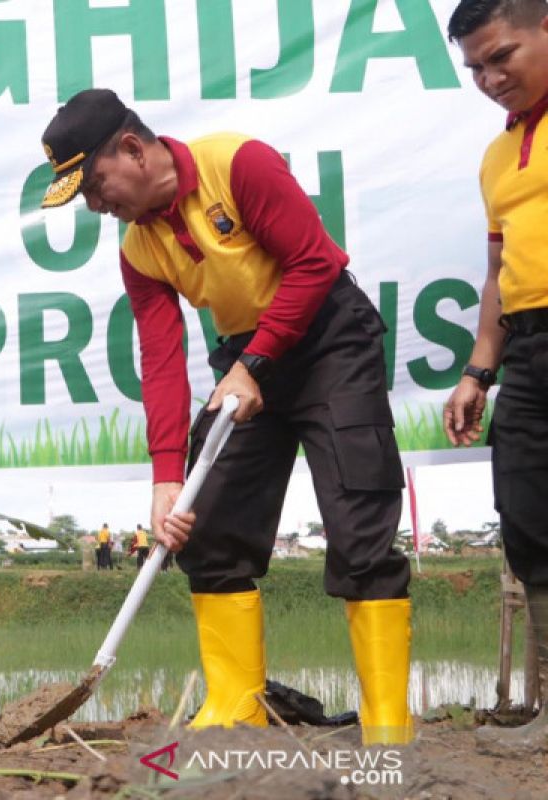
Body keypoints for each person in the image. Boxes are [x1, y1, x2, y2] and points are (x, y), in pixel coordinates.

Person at [38, 89, 412, 745]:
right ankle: (236, 707)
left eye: (95, 186)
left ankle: (388, 723)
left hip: (329, 344)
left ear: (131, 148)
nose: (97, 206)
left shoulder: (238, 164)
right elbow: (160, 360)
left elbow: (317, 262)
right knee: (205, 524)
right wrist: (164, 478)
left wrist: (258, 362)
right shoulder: (138, 249)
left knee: (358, 525)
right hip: (246, 359)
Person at [443, 0, 548, 753]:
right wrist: (479, 370)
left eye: (502, 55)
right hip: (531, 352)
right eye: (476, 67)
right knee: (529, 520)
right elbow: (496, 274)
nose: (489, 77)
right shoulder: (495, 156)